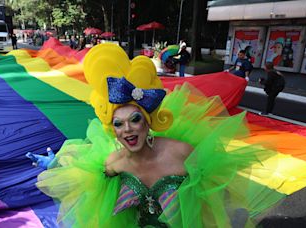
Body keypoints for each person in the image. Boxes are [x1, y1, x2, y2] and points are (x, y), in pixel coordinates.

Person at [27, 43, 284, 227]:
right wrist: (58, 165)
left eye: (135, 119)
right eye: (119, 124)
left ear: (148, 123)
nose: (127, 129)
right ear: (112, 130)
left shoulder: (182, 153)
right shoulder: (113, 163)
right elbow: (84, 183)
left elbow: (218, 201)